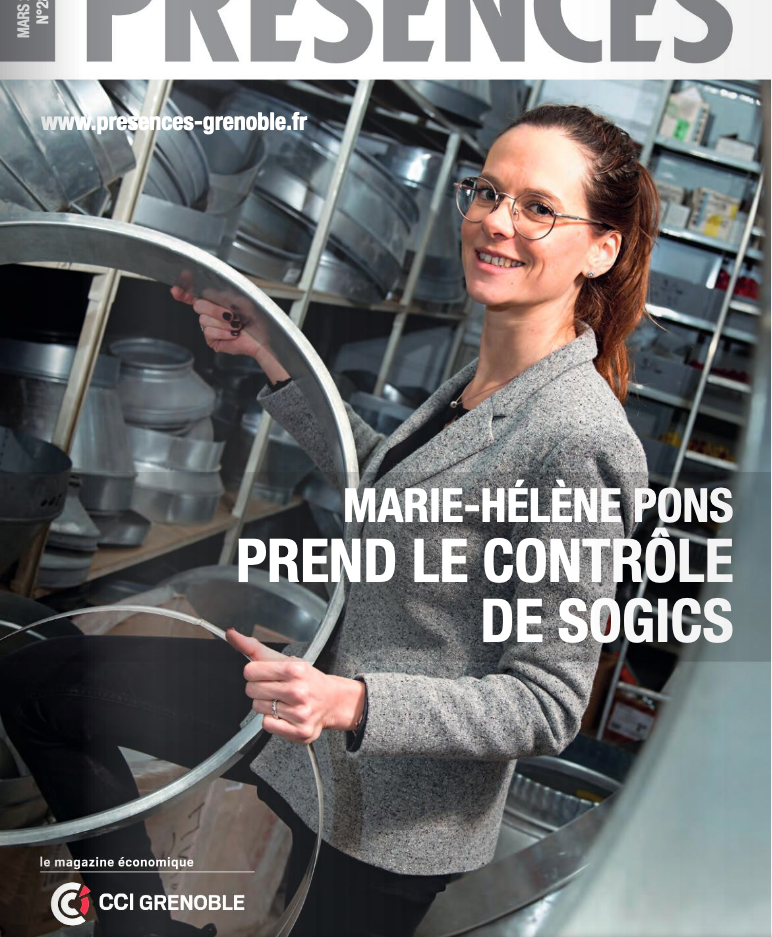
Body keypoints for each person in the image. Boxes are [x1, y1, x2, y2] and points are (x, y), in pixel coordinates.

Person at [0, 104, 654, 937]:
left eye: (539, 208)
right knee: (42, 686)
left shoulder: (581, 435)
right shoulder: (487, 376)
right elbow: (392, 479)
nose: (497, 221)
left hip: (389, 810)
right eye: (489, 192)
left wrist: (351, 700)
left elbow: (548, 699)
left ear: (602, 248)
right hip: (310, 712)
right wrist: (272, 354)